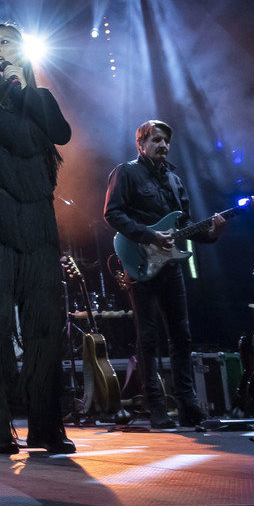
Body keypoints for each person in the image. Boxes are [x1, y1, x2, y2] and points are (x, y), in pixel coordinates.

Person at [0, 23, 74, 454]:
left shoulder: (38, 97)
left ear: (22, 50)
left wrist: (23, 86)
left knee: (44, 325)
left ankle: (46, 426)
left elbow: (61, 133)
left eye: (4, 42)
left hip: (36, 223)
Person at [103, 120, 225, 429]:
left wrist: (212, 233)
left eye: (166, 141)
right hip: (140, 263)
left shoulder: (174, 179)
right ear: (141, 144)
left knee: (181, 336)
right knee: (148, 337)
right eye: (156, 140)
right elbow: (112, 213)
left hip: (170, 266)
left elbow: (184, 225)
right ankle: (155, 406)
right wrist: (149, 236)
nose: (163, 145)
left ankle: (187, 405)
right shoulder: (126, 172)